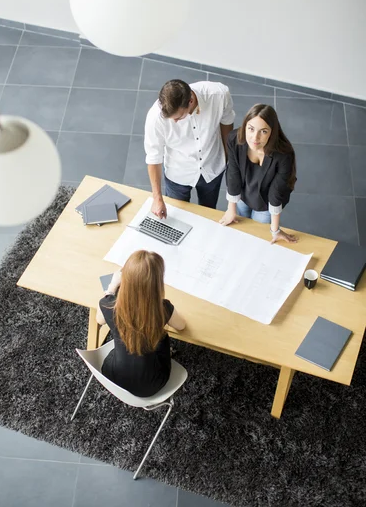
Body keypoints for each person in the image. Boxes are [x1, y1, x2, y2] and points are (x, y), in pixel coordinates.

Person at [96, 250, 186, 397]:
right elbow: (181, 326)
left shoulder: (109, 305)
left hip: (114, 376)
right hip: (153, 383)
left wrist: (111, 287)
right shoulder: (162, 308)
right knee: (162, 336)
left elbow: (99, 320)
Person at [144, 79, 235, 218]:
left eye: (179, 117)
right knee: (177, 216)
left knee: (208, 214)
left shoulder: (219, 94)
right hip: (178, 172)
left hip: (212, 167)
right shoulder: (155, 118)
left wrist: (227, 157)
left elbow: (227, 122)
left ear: (190, 101)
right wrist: (157, 199)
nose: (174, 121)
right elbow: (153, 157)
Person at [219, 103, 297, 244]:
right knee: (238, 233)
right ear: (245, 126)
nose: (255, 137)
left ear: (272, 133)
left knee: (257, 238)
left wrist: (275, 230)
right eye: (251, 129)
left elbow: (276, 191)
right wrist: (231, 209)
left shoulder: (284, 155)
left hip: (265, 204)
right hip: (243, 194)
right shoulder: (234, 139)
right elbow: (233, 174)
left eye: (263, 131)